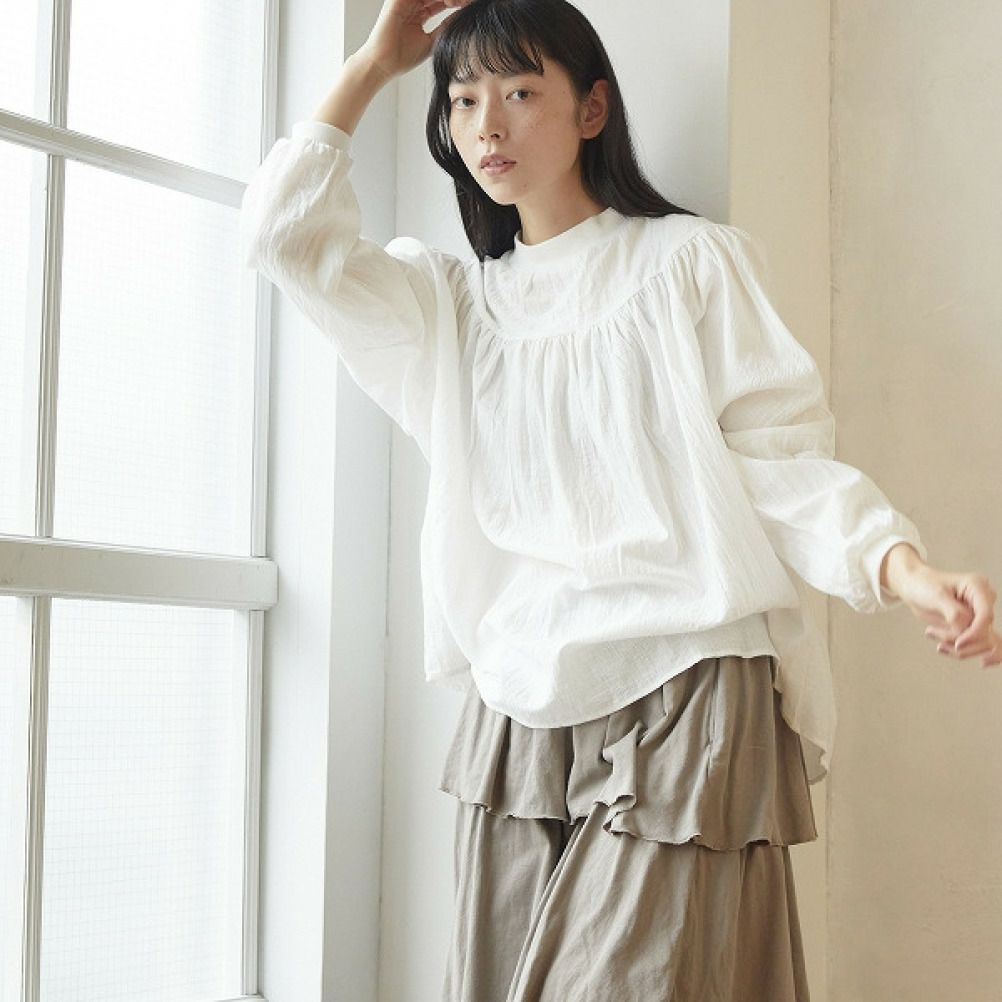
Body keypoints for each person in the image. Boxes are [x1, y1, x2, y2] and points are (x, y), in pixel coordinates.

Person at [239, 0, 1001, 998]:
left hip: (687, 682)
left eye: (520, 92)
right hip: (521, 705)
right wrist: (373, 66)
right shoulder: (450, 310)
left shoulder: (689, 265)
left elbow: (777, 462)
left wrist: (903, 568)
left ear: (591, 109)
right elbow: (286, 240)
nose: (488, 125)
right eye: (463, 100)